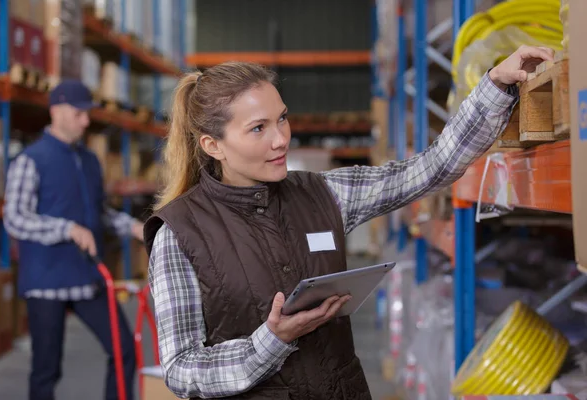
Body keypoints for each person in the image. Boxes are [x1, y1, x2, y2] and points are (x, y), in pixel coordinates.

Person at [144, 45, 554, 400]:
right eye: (258, 128)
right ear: (213, 145)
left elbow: (432, 168)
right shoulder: (179, 234)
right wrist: (270, 342)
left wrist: (496, 87)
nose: (281, 139)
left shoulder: (325, 193)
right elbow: (181, 370)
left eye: (282, 118)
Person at [3, 80, 144, 400]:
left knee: (124, 350)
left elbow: (99, 213)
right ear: (57, 110)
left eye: (86, 114)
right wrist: (66, 229)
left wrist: (136, 227)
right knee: (46, 369)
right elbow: (15, 217)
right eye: (79, 114)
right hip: (46, 280)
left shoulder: (89, 161)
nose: (85, 121)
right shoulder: (31, 160)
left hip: (86, 277)